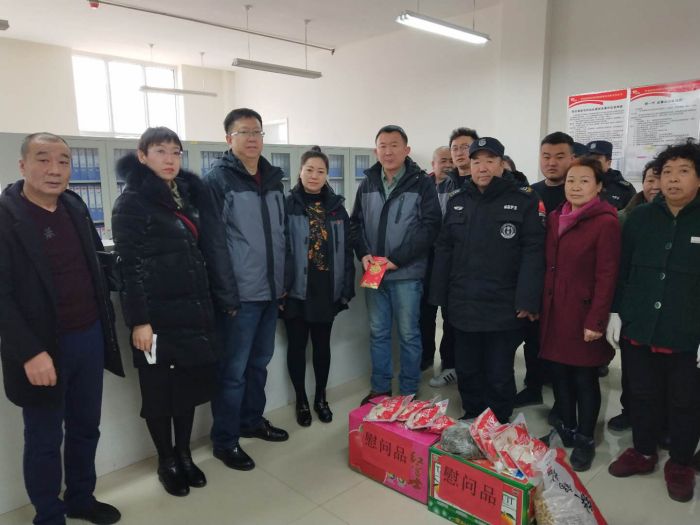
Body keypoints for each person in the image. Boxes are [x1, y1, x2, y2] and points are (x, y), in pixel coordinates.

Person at [0, 133, 124, 525]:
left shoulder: (74, 205)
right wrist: (29, 352)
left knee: (86, 426)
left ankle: (81, 499)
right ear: (22, 165)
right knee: (44, 438)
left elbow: (95, 264)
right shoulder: (6, 216)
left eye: (63, 161)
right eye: (43, 159)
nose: (55, 169)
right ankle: (49, 515)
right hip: (41, 348)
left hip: (88, 336)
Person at [112, 127, 238, 497]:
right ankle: (166, 460)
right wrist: (139, 321)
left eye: (175, 152)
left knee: (186, 388)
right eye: (160, 151)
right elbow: (129, 268)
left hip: (191, 313)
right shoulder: (131, 202)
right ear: (142, 156)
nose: (170, 159)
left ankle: (184, 454)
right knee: (158, 393)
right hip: (155, 320)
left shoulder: (185, 196)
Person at [607, 140, 700, 503]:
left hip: (687, 332)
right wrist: (615, 311)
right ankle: (643, 451)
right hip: (640, 324)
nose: (672, 179)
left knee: (685, 401)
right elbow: (622, 270)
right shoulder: (640, 218)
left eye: (683, 171)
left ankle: (680, 463)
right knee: (641, 394)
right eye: (666, 172)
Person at [430, 137, 545, 424]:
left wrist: (528, 299)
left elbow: (533, 252)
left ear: (501, 164)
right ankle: (472, 412)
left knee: (498, 369)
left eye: (489, 160)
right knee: (467, 366)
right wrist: (438, 295)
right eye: (477, 161)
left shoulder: (523, 200)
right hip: (463, 302)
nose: (482, 167)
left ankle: (498, 419)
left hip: (503, 304)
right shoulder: (458, 201)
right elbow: (444, 249)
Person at [203, 108, 290, 472]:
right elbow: (213, 243)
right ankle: (225, 440)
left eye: (257, 132)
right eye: (244, 132)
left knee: (259, 364)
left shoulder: (273, 179)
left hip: (270, 292)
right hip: (239, 296)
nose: (252, 138)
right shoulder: (217, 180)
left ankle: (251, 421)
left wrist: (282, 285)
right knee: (233, 371)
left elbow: (281, 235)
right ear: (229, 139)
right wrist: (226, 294)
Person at [538, 157, 621, 472]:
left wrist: (597, 320)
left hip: (583, 314)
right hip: (555, 311)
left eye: (584, 180)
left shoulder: (606, 222)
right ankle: (567, 427)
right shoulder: (556, 216)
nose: (575, 186)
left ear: (598, 187)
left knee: (584, 378)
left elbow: (607, 276)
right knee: (559, 374)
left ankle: (585, 438)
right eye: (571, 180)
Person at [351, 125, 441, 404]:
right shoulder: (368, 182)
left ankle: (409, 390)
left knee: (408, 333)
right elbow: (355, 224)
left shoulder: (421, 183)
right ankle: (380, 387)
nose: (388, 151)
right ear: (375, 150)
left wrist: (397, 259)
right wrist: (363, 253)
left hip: (407, 273)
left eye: (394, 145)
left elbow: (430, 227)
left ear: (406, 150)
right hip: (374, 271)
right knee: (378, 332)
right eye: (383, 146)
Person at [283, 146, 355, 426]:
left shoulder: (336, 207)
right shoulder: (287, 205)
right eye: (309, 169)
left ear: (327, 175)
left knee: (322, 347)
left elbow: (346, 250)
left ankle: (320, 397)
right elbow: (279, 249)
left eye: (321, 171)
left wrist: (346, 288)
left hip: (326, 289)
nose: (314, 175)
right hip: (295, 289)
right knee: (297, 347)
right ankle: (301, 400)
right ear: (300, 172)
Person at [515, 132, 574, 410]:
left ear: (572, 158)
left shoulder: (577, 191)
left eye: (560, 156)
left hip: (566, 282)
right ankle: (533, 387)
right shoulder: (530, 193)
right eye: (546, 156)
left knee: (563, 342)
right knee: (533, 337)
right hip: (536, 276)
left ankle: (565, 403)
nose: (551, 162)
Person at [607, 160, 661, 433]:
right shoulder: (626, 217)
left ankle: (662, 420)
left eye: (660, 179)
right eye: (650, 179)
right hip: (632, 303)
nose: (656, 186)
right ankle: (629, 411)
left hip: (665, 306)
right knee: (632, 367)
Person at [420, 146, 457, 387]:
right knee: (425, 312)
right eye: (443, 160)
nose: (447, 165)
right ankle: (425, 358)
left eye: (450, 161)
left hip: (450, 258)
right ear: (433, 164)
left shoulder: (458, 186)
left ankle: (448, 363)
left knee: (449, 315)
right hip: (425, 257)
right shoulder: (422, 185)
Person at [586, 140, 636, 210]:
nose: (591, 163)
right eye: (588, 159)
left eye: (597, 159)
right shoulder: (579, 183)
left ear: (608, 163)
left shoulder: (625, 190)